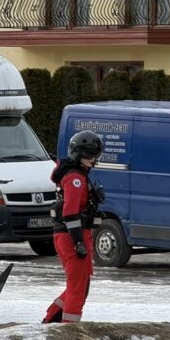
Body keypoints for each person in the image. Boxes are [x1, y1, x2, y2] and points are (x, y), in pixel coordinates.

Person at [43, 129, 105, 324]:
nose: (93, 161)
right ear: (78, 155)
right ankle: (69, 328)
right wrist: (78, 241)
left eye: (95, 157)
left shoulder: (77, 174)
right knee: (78, 286)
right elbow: (70, 212)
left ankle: (51, 320)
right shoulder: (75, 178)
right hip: (72, 236)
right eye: (89, 157)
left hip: (74, 234)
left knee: (81, 284)